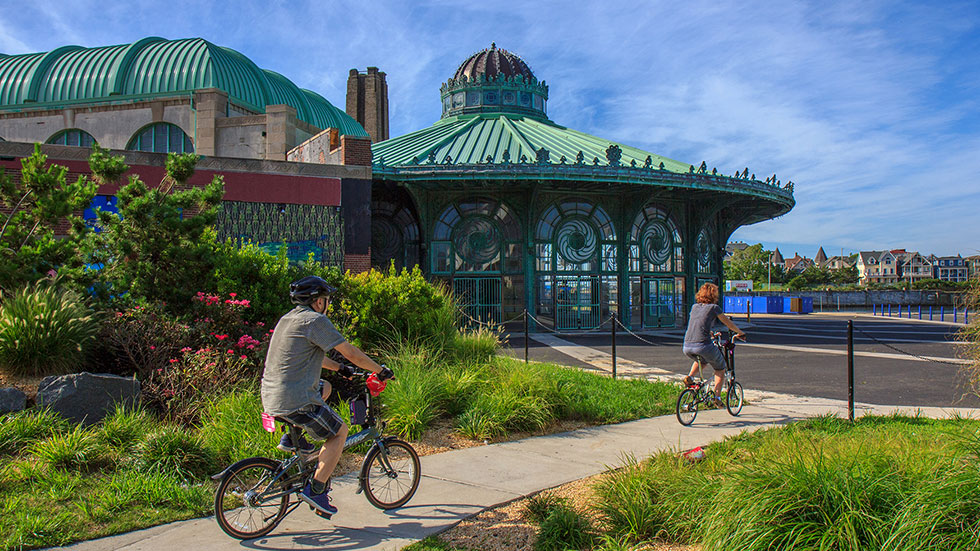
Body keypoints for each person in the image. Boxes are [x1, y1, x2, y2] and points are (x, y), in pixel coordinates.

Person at [260, 276, 393, 517]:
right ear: (318, 301)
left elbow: (311, 355)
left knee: (326, 387)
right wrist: (380, 370)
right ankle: (317, 489)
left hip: (271, 395)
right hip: (296, 399)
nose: (327, 303)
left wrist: (339, 368)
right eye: (326, 299)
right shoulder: (315, 320)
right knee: (340, 431)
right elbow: (351, 353)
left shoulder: (288, 319)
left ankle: (293, 439)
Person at [682, 283, 745, 407]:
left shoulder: (694, 307)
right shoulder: (714, 308)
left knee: (703, 360)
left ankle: (690, 377)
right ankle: (717, 397)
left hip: (687, 346)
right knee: (720, 368)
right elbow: (728, 323)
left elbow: (698, 324)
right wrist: (740, 332)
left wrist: (708, 332)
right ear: (714, 294)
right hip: (703, 345)